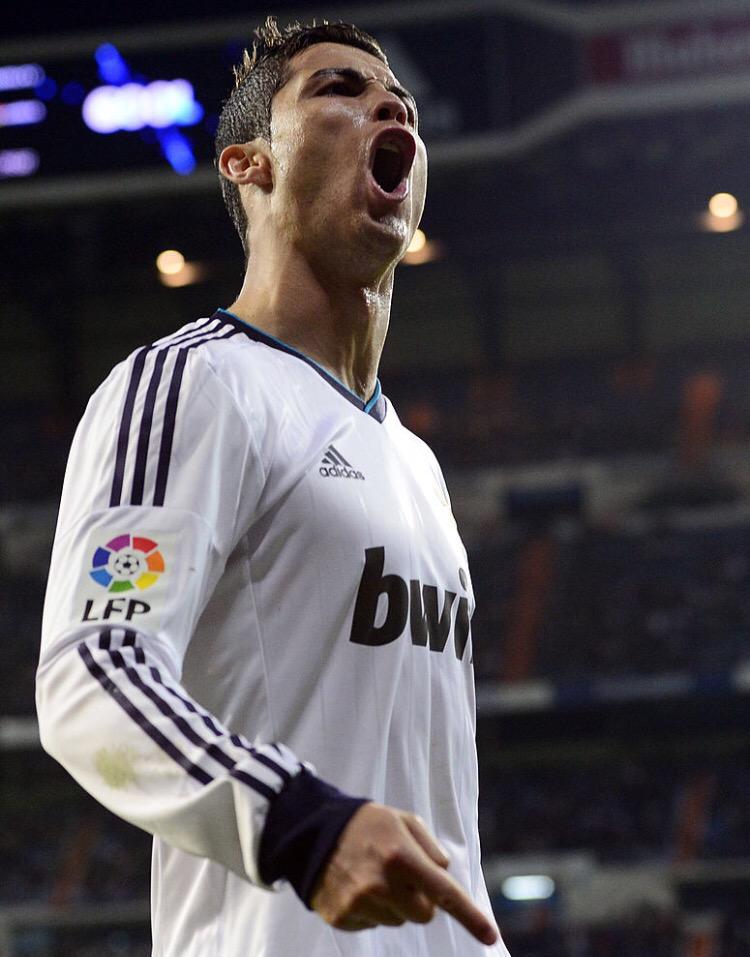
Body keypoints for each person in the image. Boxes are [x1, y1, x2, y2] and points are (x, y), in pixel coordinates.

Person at [36, 16, 509, 957]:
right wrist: (301, 823)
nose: (386, 103)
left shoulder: (414, 462)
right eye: (337, 89)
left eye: (400, 102)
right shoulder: (194, 383)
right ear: (247, 163)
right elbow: (94, 674)